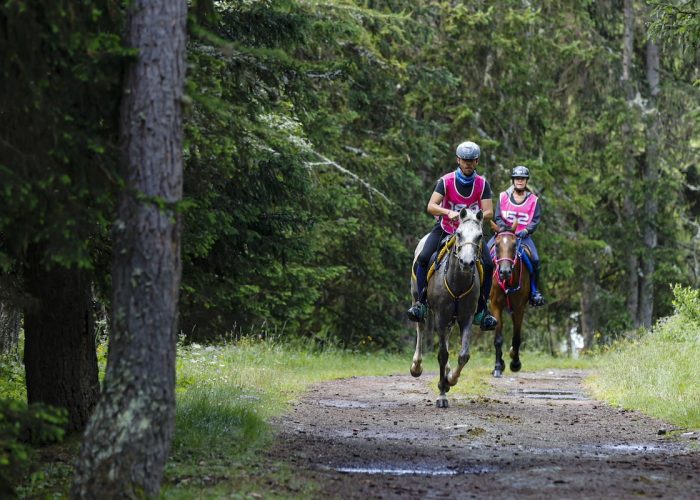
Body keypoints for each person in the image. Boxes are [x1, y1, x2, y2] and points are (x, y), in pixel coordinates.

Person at [407, 141, 498, 329]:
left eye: (471, 160)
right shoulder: (446, 181)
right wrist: (448, 212)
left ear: (477, 161)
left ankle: (482, 310)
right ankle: (421, 303)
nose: (468, 164)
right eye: (464, 160)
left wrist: (475, 215)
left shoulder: (482, 184)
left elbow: (489, 212)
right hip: (446, 229)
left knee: (488, 265)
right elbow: (431, 206)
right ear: (458, 160)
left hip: (470, 234)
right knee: (424, 258)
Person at [493, 165, 545, 306]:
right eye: (517, 179)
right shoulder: (503, 197)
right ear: (513, 180)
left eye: (522, 179)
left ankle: (534, 291)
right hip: (504, 235)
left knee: (535, 260)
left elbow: (535, 220)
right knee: (485, 256)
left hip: (523, 237)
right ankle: (483, 291)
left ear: (526, 181)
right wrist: (504, 228)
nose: (520, 181)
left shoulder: (533, 200)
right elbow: (497, 216)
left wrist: (526, 231)